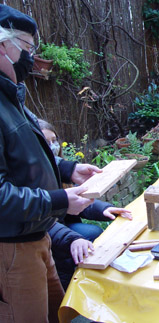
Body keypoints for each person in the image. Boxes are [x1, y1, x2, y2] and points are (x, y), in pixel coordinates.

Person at [0, 5, 99, 322]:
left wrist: (68, 169)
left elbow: (23, 158)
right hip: (12, 249)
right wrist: (59, 199)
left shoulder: (11, 96)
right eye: (27, 48)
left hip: (37, 237)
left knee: (58, 312)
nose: (31, 57)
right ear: (3, 45)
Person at [38, 118, 133, 289]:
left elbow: (78, 201)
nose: (52, 146)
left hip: (62, 225)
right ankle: (69, 287)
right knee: (89, 234)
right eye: (46, 143)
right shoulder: (32, 178)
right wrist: (72, 239)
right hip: (44, 234)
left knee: (94, 232)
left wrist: (105, 208)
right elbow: (40, 221)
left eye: (54, 141)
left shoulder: (58, 169)